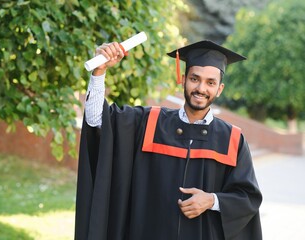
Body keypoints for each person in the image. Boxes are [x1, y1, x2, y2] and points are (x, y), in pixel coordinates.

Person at [75, 40, 262, 240]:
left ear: (220, 89)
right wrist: (99, 72)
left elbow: (247, 197)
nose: (201, 88)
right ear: (183, 79)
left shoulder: (231, 139)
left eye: (210, 82)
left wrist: (212, 200)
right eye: (194, 79)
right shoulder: (149, 123)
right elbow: (96, 120)